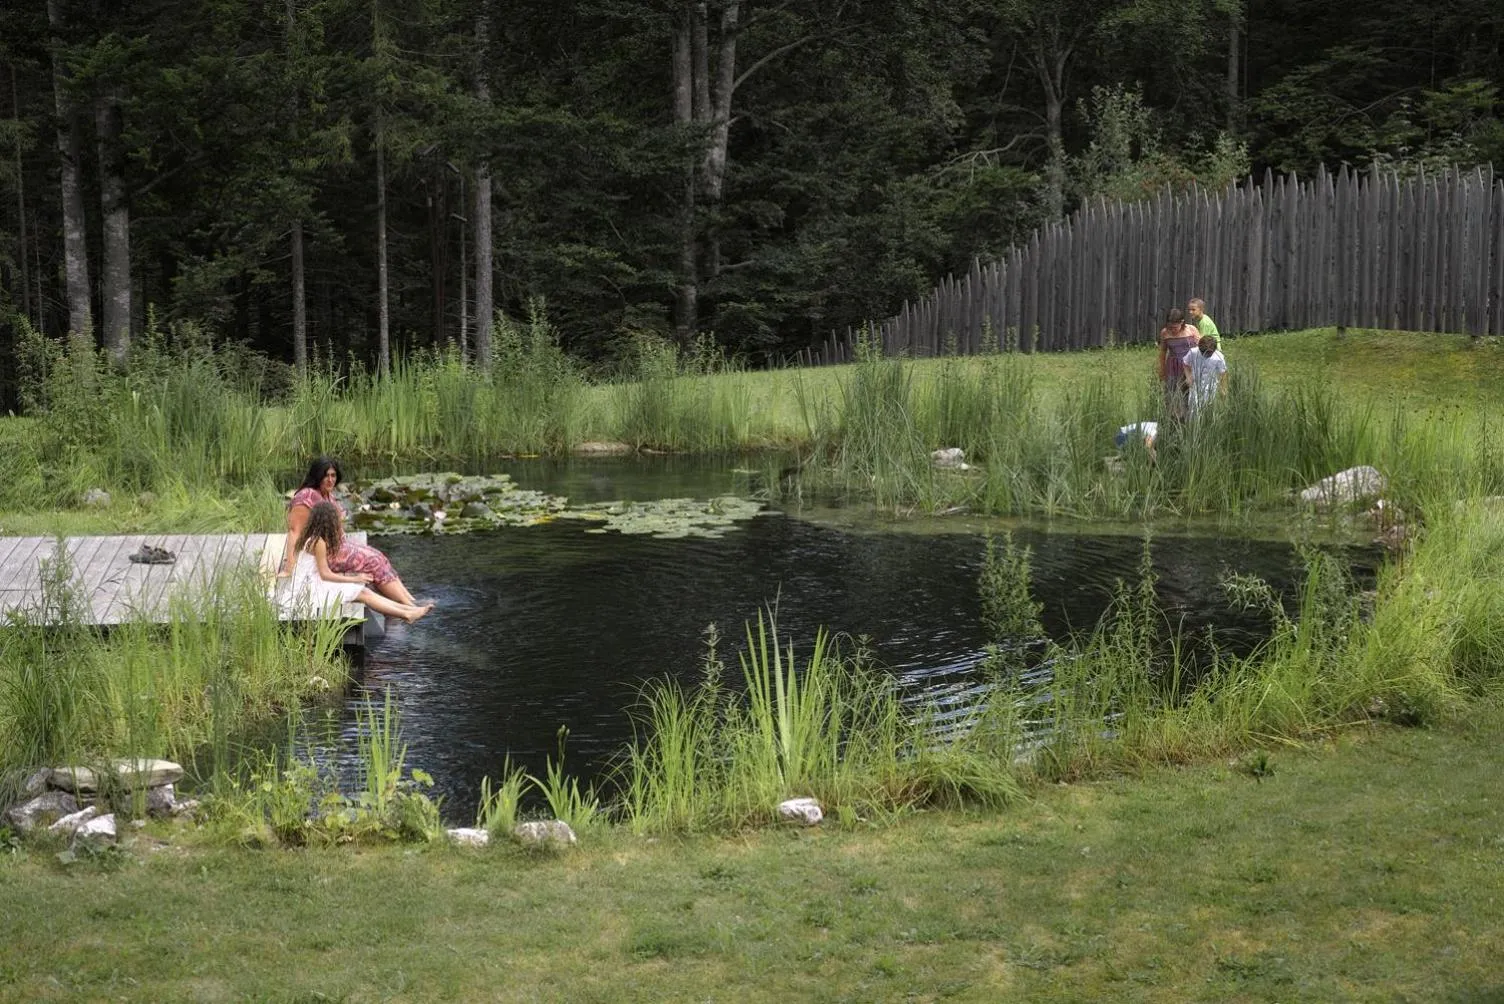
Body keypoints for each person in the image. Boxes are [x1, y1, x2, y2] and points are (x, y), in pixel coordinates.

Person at [279, 456, 426, 609]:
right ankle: (406, 605)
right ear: (317, 476)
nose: (330, 480)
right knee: (372, 561)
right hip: (323, 553)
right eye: (326, 475)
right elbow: (294, 532)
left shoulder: (326, 492)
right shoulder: (305, 497)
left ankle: (411, 600)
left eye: (333, 475)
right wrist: (289, 568)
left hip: (337, 546)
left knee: (378, 556)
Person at [285, 502, 433, 623]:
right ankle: (406, 614)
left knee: (364, 592)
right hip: (309, 591)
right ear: (329, 522)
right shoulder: (318, 541)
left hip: (308, 583)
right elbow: (325, 574)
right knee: (363, 593)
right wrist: (355, 578)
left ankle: (408, 611)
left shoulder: (313, 537)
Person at [1156, 307, 1200, 418]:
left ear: (1182, 322)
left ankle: (1190, 418)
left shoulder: (1191, 330)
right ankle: (1174, 419)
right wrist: (1161, 370)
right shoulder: (1165, 333)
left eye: (1175, 327)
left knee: (1189, 393)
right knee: (1172, 393)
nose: (1173, 330)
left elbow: (1200, 347)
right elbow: (1162, 352)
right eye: (1170, 327)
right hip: (1173, 367)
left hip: (1190, 366)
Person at [1183, 334, 1228, 418]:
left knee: (1207, 408)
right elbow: (1185, 363)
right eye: (1202, 352)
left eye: (1208, 353)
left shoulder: (1219, 357)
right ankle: (1193, 427)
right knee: (1194, 409)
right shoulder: (1193, 352)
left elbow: (1223, 373)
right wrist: (1188, 376)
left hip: (1210, 387)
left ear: (1214, 350)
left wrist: (1223, 388)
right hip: (1195, 386)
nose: (1205, 355)